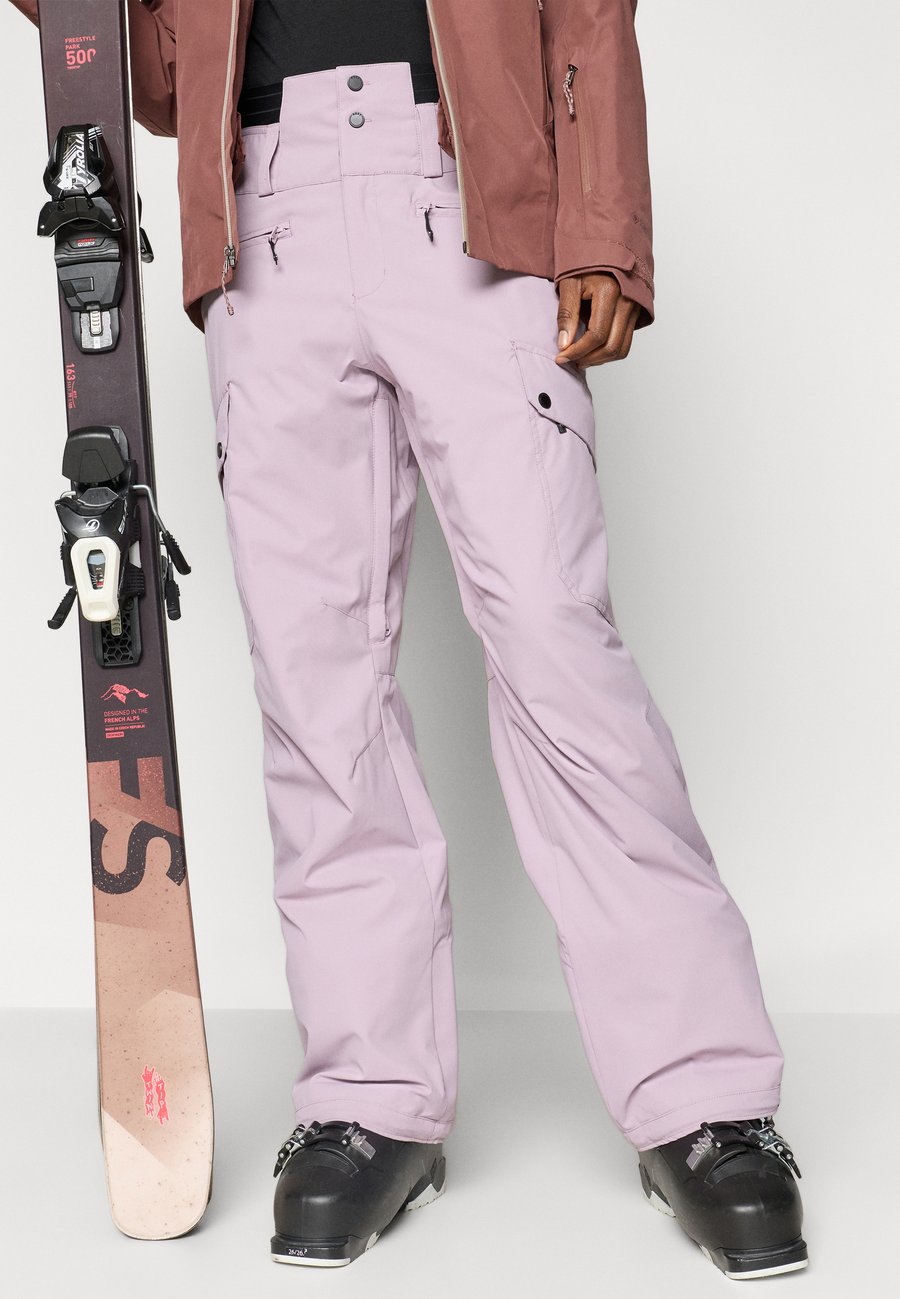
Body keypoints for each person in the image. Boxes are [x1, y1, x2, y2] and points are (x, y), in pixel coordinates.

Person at [11, 0, 808, 1281]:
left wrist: (602, 225)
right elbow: (159, 76)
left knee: (556, 646)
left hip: (470, 196)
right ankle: (371, 1100)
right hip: (264, 222)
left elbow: (586, 11)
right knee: (314, 683)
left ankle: (703, 1098)